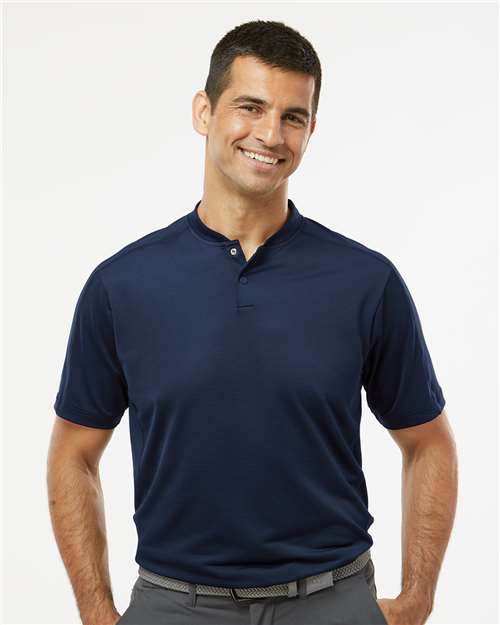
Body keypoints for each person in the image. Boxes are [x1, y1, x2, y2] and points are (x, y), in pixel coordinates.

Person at [47, 19, 458, 625]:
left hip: (332, 600)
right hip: (174, 604)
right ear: (204, 111)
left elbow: (428, 442)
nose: (270, 134)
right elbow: (73, 452)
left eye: (293, 116)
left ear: (311, 131)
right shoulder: (121, 285)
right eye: (250, 107)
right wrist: (96, 612)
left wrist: (418, 597)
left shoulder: (365, 281)